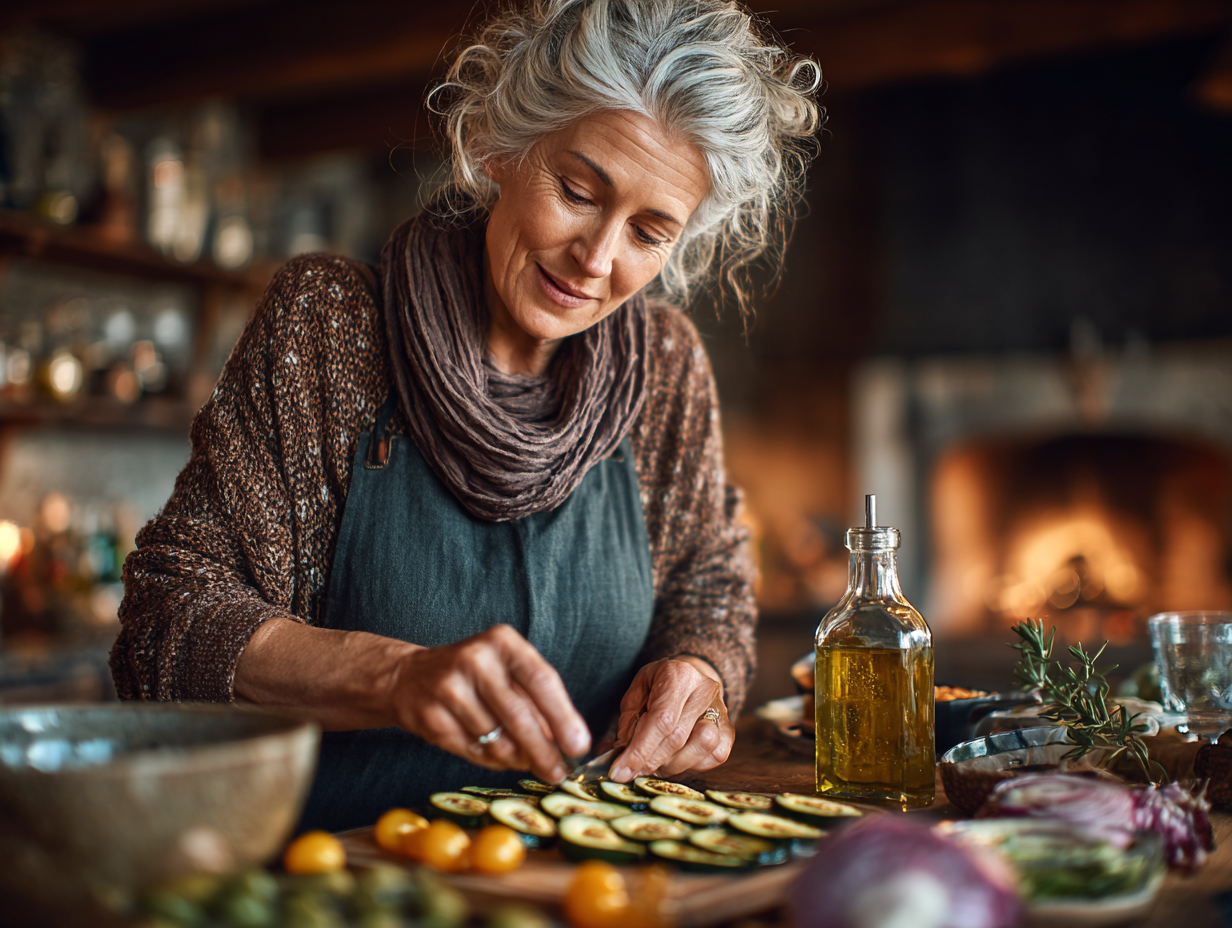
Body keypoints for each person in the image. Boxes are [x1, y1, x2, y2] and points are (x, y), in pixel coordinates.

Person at [110, 0, 821, 832]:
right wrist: (392, 678)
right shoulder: (330, 327)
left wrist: (700, 671)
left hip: (580, 881)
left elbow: (710, 587)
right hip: (343, 878)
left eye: (649, 231)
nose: (596, 259)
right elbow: (166, 620)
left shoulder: (665, 368)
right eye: (577, 191)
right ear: (498, 148)